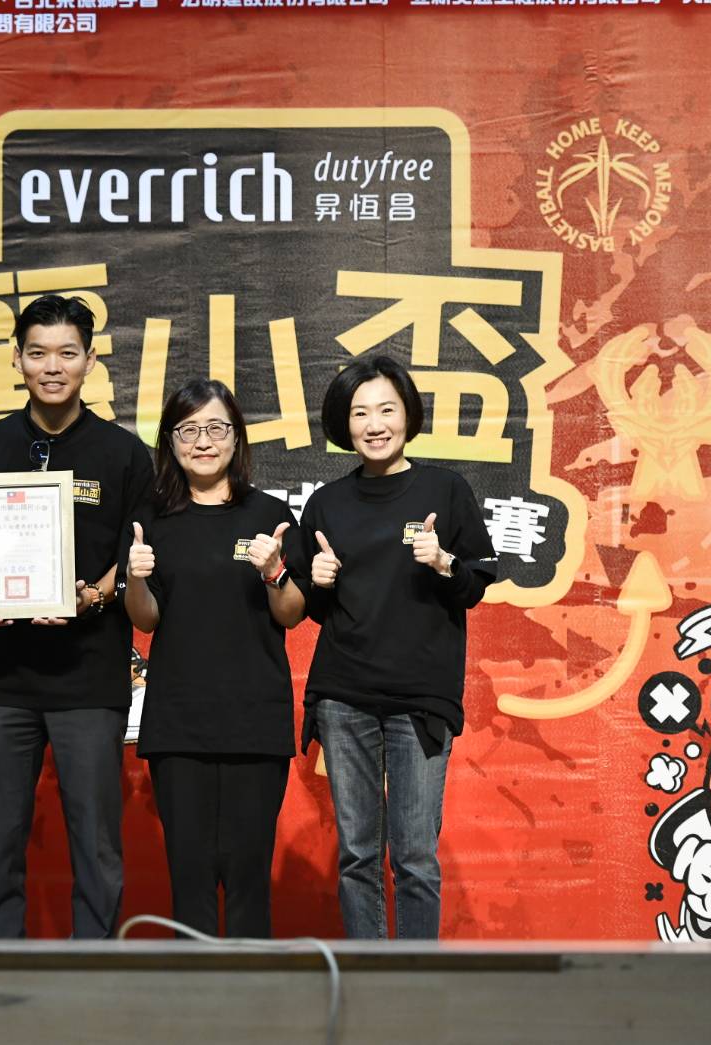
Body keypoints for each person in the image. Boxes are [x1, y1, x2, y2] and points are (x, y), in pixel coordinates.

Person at [0, 293, 154, 938]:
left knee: (96, 841)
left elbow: (136, 557)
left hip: (88, 676)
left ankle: (93, 968)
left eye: (68, 353)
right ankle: (0, 969)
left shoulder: (124, 453)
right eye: (38, 353)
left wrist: (91, 597)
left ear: (90, 361)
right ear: (16, 359)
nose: (52, 366)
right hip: (1, 678)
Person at [298, 355, 498, 939]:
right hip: (344, 696)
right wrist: (319, 582)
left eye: (386, 409)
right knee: (357, 855)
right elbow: (311, 606)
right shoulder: (326, 503)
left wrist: (444, 562)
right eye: (360, 413)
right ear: (344, 424)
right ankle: (367, 977)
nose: (374, 424)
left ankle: (413, 978)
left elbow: (475, 585)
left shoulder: (446, 490)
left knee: (414, 856)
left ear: (408, 415)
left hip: (420, 699)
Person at [123, 378, 305, 938]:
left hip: (254, 720)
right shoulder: (153, 519)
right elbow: (146, 619)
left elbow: (292, 613)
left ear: (237, 436)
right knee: (191, 879)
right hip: (179, 722)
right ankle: (194, 991)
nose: (203, 441)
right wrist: (135, 576)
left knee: (249, 878)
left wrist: (274, 571)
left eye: (216, 427)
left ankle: (253, 993)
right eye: (188, 430)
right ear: (170, 441)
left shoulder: (269, 513)